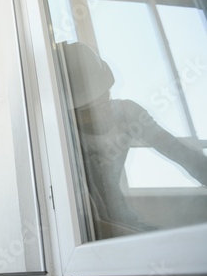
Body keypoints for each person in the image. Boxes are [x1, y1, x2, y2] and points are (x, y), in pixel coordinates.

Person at [62, 41, 207, 239]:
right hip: (98, 231)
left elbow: (181, 153)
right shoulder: (65, 137)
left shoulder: (127, 113)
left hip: (126, 222)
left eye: (105, 98)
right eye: (89, 110)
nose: (101, 111)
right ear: (72, 111)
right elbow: (94, 217)